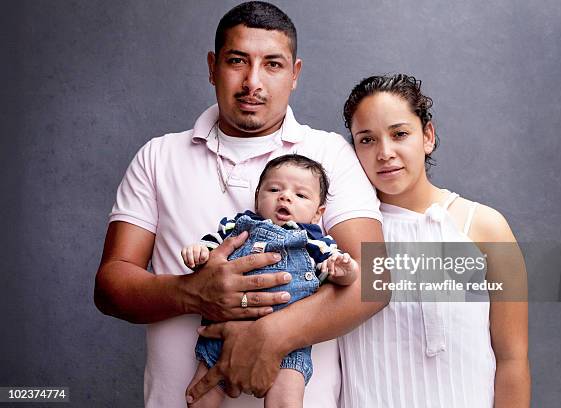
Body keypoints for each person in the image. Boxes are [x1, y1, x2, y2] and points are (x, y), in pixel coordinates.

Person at [93, 2, 385, 408]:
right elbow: (110, 286)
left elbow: (375, 279)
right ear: (213, 66)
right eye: (237, 61)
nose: (253, 82)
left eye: (273, 65)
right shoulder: (158, 157)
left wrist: (270, 335)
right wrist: (194, 293)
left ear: (294, 74)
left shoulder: (329, 153)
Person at [339, 74, 530, 407]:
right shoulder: (344, 234)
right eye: (367, 140)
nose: (385, 153)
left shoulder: (484, 228)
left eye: (399, 134)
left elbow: (512, 360)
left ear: (427, 136)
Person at [182, 154, 359, 408]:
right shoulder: (239, 226)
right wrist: (199, 252)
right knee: (199, 396)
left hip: (289, 339)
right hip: (223, 328)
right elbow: (210, 251)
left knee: (286, 400)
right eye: (274, 189)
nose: (285, 197)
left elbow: (343, 273)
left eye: (301, 195)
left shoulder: (314, 240)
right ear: (257, 198)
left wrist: (345, 270)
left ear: (317, 213)